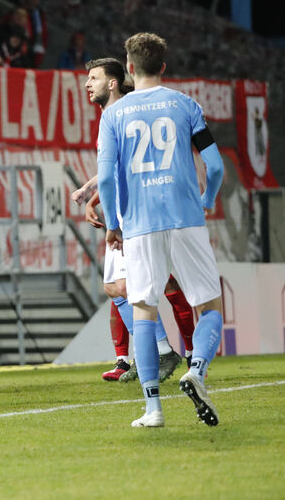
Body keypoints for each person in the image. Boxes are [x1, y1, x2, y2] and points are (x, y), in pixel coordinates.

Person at [97, 32, 225, 428]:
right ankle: (196, 370)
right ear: (164, 67)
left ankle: (153, 409)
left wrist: (114, 225)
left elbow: (105, 179)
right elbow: (216, 166)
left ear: (129, 69)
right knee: (209, 306)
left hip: (139, 224)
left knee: (144, 309)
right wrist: (207, 200)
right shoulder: (186, 105)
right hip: (186, 217)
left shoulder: (113, 115)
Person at [71, 58, 193, 382]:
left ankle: (164, 352)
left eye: (93, 78)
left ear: (112, 82)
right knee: (120, 287)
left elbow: (126, 167)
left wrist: (112, 218)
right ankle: (153, 353)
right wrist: (89, 191)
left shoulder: (120, 114)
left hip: (133, 213)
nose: (87, 84)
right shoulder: (116, 114)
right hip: (130, 210)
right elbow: (114, 168)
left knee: (133, 286)